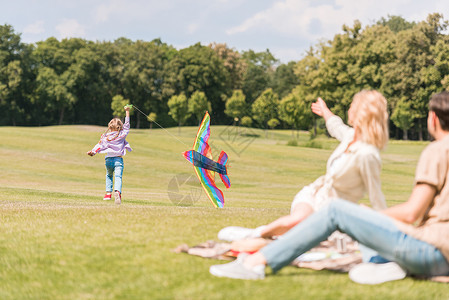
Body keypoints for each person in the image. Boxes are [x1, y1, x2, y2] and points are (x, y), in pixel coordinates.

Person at [209, 91, 449, 284]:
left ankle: (255, 264)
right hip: (441, 258)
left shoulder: (438, 150)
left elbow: (411, 213)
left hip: (432, 253)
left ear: (433, 118)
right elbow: (339, 128)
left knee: (337, 210)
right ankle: (386, 264)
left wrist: (366, 215)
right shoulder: (352, 137)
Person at [219, 90, 389, 242]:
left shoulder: (368, 154)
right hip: (313, 195)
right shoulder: (350, 136)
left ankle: (258, 236)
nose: (349, 109)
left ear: (362, 113)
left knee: (297, 231)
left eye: (352, 106)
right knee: (297, 221)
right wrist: (325, 111)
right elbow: (336, 126)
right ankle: (253, 235)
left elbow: (376, 196)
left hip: (331, 212)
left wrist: (388, 230)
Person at [87, 105, 132, 205]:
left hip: (108, 160)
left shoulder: (106, 137)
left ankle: (108, 194)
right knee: (118, 177)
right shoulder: (122, 134)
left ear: (110, 127)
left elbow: (99, 145)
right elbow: (127, 124)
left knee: (109, 175)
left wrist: (93, 152)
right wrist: (127, 111)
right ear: (120, 127)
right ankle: (117, 192)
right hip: (118, 160)